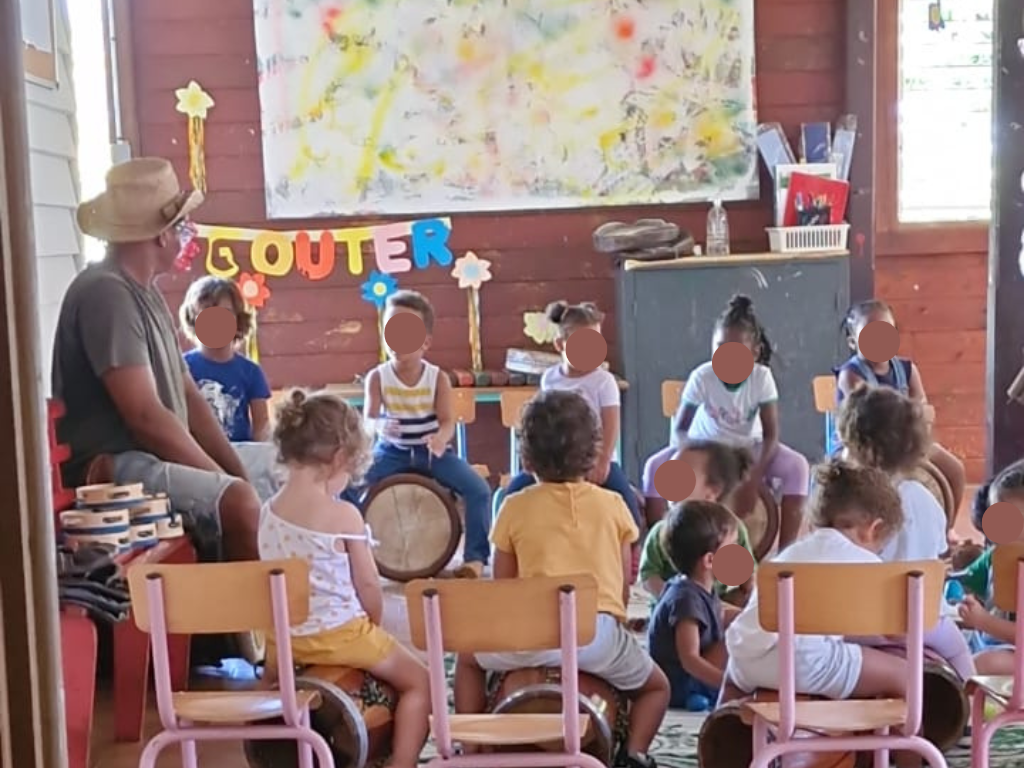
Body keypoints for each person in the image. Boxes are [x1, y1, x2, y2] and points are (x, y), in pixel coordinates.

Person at [52, 157, 271, 562]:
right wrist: (225, 482)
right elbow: (146, 417)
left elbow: (187, 394)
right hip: (112, 465)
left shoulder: (147, 293)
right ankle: (239, 623)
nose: (184, 235)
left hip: (148, 456)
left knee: (282, 467)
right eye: (181, 226)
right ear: (160, 235)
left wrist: (237, 471)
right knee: (239, 504)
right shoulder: (107, 294)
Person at [454, 390, 668, 768]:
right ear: (594, 452)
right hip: (594, 634)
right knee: (656, 688)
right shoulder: (615, 506)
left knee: (468, 660)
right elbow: (619, 588)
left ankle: (470, 750)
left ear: (526, 455)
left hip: (527, 633)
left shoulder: (514, 506)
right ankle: (634, 754)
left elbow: (505, 589)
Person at [259, 390, 429, 768]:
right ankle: (402, 763)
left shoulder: (266, 512)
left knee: (271, 681)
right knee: (420, 680)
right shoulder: (344, 516)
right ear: (338, 458)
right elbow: (369, 585)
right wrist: (374, 624)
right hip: (341, 636)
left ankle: (274, 744)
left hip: (284, 642)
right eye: (349, 471)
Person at [725, 460, 911, 700]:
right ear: (873, 528)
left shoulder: (788, 555)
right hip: (803, 664)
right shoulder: (866, 565)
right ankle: (902, 736)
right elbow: (895, 632)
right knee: (902, 673)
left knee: (742, 666)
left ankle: (721, 720)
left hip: (745, 661)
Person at [837, 387, 975, 679]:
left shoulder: (844, 503)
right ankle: (968, 702)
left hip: (858, 623)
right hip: (920, 622)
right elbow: (938, 554)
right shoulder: (924, 500)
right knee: (960, 648)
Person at [360, 290, 492, 578]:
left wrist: (441, 439)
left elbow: (447, 421)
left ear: (425, 342)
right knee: (346, 486)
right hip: (390, 452)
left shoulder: (437, 378)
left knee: (478, 489)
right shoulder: (378, 377)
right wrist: (379, 426)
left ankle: (475, 559)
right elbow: (368, 420)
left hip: (430, 452)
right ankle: (355, 556)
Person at [668, 294, 809, 548]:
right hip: (706, 447)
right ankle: (668, 548)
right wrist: (687, 460)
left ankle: (787, 554)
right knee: (654, 470)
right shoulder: (702, 376)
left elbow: (771, 436)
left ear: (754, 353)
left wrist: (753, 478)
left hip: (749, 447)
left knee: (798, 467)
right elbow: (680, 429)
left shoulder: (761, 378)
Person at [500, 301, 640, 524]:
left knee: (627, 505)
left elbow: (611, 424)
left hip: (590, 460)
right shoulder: (550, 378)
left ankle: (633, 550)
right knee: (513, 492)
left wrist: (603, 461)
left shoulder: (603, 381)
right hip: (552, 463)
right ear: (560, 344)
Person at [835, 299, 966, 519]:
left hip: (904, 441)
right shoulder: (851, 375)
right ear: (852, 342)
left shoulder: (907, 369)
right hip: (863, 445)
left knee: (955, 470)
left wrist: (915, 431)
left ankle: (945, 528)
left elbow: (922, 410)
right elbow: (864, 420)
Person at [647, 500, 739, 711]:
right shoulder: (685, 598)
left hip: (690, 676)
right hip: (680, 682)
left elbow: (718, 612)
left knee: (744, 627)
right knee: (736, 638)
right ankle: (699, 693)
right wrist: (729, 684)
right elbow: (690, 659)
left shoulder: (699, 586)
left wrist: (752, 616)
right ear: (709, 560)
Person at [639, 440, 755, 603]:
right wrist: (671, 599)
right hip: (671, 615)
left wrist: (733, 604)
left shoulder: (732, 530)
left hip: (715, 612)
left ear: (713, 491)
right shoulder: (662, 530)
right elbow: (648, 575)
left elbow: (747, 579)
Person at [179, 275, 272, 443]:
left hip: (241, 458)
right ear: (194, 319)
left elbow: (262, 426)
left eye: (225, 313)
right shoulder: (181, 367)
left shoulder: (251, 372)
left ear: (238, 320)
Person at [955, 459, 1024, 675]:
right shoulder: (997, 555)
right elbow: (968, 582)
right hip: (988, 640)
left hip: (1014, 652)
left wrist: (983, 621)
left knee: (980, 664)